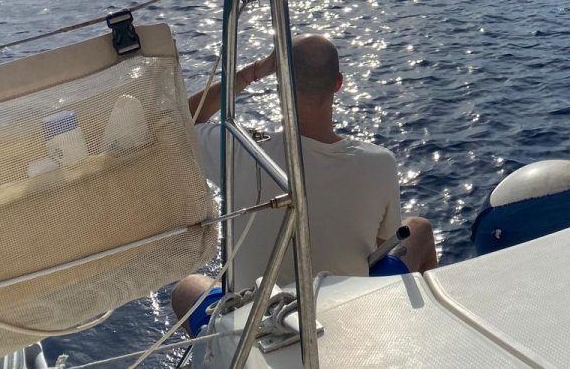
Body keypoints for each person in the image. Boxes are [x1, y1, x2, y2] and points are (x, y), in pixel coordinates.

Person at [173, 34, 437, 333]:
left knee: (188, 287)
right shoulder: (380, 162)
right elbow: (381, 244)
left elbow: (180, 123)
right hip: (343, 313)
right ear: (338, 83)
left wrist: (252, 72)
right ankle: (428, 330)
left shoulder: (239, 151)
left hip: (256, 323)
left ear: (279, 87)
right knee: (420, 229)